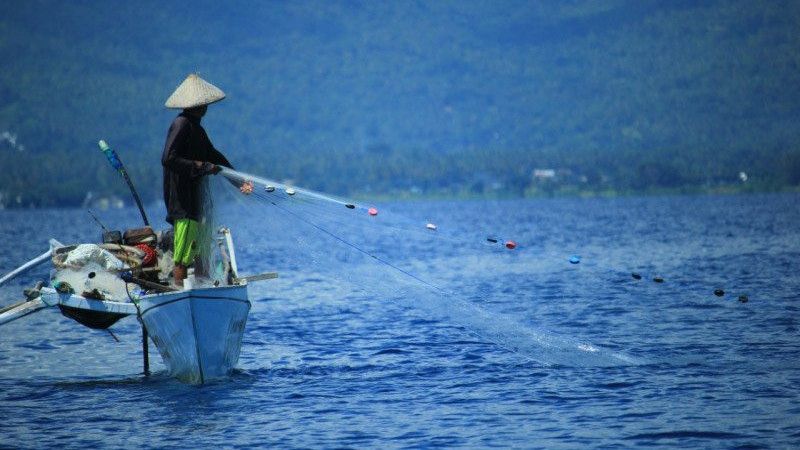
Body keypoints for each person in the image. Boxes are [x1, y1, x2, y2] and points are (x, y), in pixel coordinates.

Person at [161, 73, 250, 287]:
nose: (206, 107)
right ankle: (182, 290)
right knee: (182, 256)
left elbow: (213, 155)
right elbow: (168, 158)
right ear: (197, 106)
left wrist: (238, 181)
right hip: (181, 202)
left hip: (195, 200)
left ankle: (203, 287)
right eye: (204, 104)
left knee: (199, 248)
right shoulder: (181, 124)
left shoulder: (197, 129)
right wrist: (200, 166)